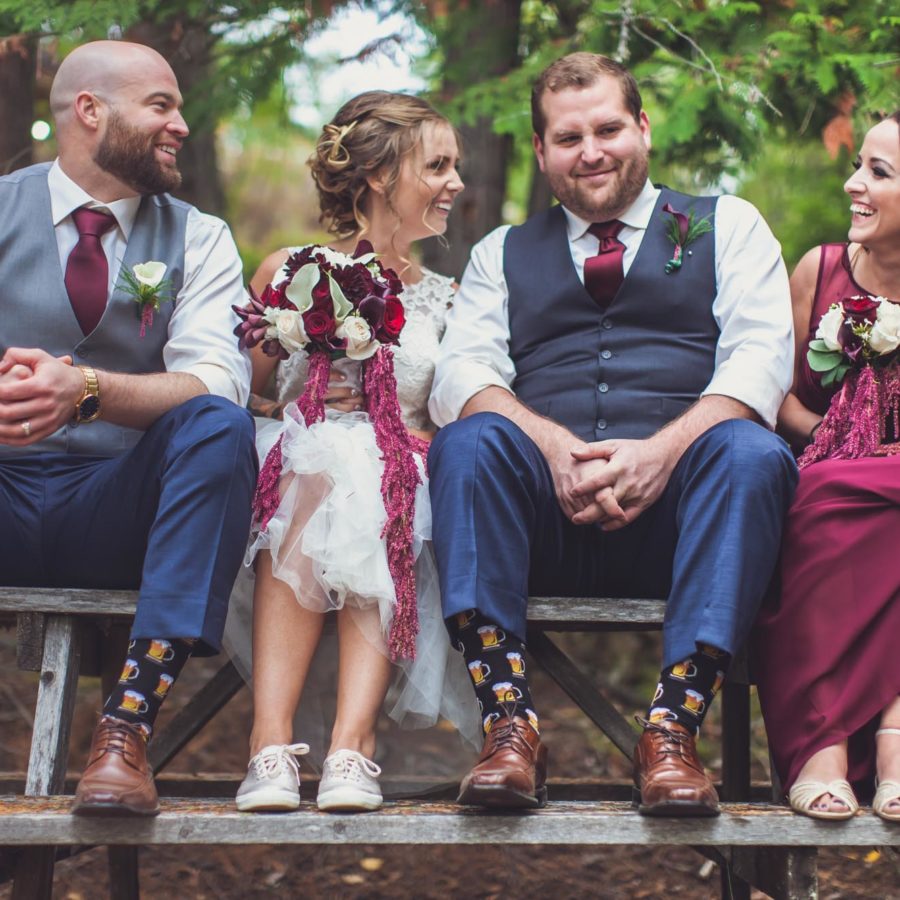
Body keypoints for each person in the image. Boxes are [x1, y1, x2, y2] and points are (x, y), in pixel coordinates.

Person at [427, 52, 798, 815]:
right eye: (568, 138)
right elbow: (462, 374)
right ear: (541, 152)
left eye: (607, 128)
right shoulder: (500, 252)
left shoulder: (726, 225)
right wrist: (553, 447)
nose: (590, 151)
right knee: (467, 442)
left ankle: (670, 733)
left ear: (643, 129)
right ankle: (508, 725)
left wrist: (662, 454)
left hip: (685, 520)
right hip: (543, 525)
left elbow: (762, 363)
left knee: (753, 452)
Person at [0, 41, 256, 817]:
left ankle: (126, 729)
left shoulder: (200, 236)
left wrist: (87, 389)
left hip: (119, 507)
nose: (180, 124)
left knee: (219, 424)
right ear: (91, 111)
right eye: (161, 106)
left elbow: (220, 378)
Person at [226, 91, 477, 815]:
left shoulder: (452, 300)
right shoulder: (289, 271)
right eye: (438, 165)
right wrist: (289, 407)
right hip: (294, 468)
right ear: (378, 176)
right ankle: (269, 744)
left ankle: (350, 745)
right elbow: (238, 395)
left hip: (410, 477)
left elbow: (454, 407)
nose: (455, 182)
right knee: (326, 456)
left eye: (456, 165)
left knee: (369, 466)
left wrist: (392, 432)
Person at [755, 111, 900, 822]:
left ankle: (896, 737)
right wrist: (838, 440)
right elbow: (773, 394)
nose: (855, 184)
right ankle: (823, 745)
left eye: (879, 172)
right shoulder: (820, 270)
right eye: (859, 166)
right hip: (823, 473)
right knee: (828, 491)